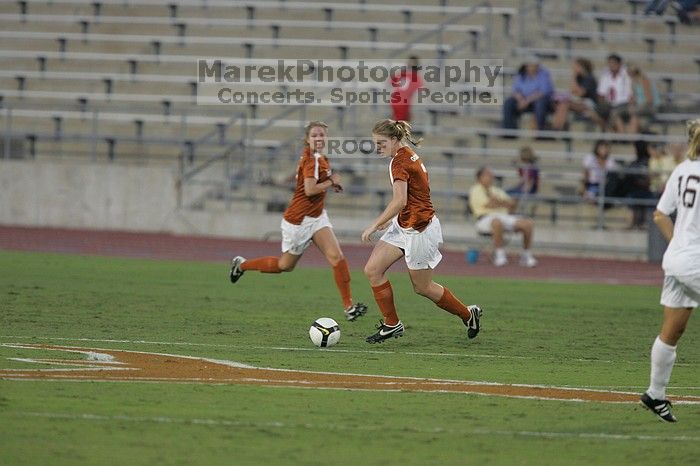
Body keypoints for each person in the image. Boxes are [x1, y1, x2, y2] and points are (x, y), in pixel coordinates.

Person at [229, 121, 368, 321]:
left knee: (337, 257)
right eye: (315, 135)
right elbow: (310, 189)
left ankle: (349, 307)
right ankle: (241, 265)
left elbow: (312, 185)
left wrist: (330, 184)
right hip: (299, 221)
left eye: (322, 135)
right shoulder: (312, 160)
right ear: (307, 139)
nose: (319, 138)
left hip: (317, 217)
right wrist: (331, 182)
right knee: (285, 266)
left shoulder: (319, 158)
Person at [360, 119, 482, 344]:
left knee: (422, 287)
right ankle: (391, 324)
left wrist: (376, 224)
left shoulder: (399, 162)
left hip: (419, 229)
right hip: (406, 222)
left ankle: (468, 314)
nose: (377, 147)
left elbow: (400, 200)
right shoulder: (406, 154)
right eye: (375, 143)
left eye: (381, 142)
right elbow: (413, 197)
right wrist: (394, 219)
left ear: (395, 140)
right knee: (373, 270)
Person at [640, 118, 700, 422]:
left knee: (673, 329)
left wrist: (679, 244)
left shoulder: (682, 170)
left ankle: (655, 394)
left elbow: (660, 214)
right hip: (695, 261)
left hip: (677, 259)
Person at [469, 166, 538, 267]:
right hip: (484, 218)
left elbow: (512, 205)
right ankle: (499, 255)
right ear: (480, 177)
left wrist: (499, 202)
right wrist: (502, 203)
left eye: (491, 176)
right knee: (497, 222)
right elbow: (488, 205)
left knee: (527, 223)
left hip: (503, 216)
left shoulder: (496, 190)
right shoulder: (475, 190)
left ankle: (526, 255)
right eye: (487, 175)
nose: (490, 178)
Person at [502, 56, 554, 132]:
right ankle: (509, 131)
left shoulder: (544, 74)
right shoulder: (521, 74)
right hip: (523, 100)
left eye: (534, 65)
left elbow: (543, 91)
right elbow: (515, 90)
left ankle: (540, 131)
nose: (531, 68)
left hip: (537, 100)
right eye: (529, 65)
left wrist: (527, 101)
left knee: (540, 104)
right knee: (508, 103)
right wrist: (520, 99)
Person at [551, 58, 599, 131]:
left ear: (581, 67)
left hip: (589, 104)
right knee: (562, 104)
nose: (574, 69)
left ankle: (557, 128)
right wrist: (575, 78)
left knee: (565, 104)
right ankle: (557, 127)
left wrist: (573, 77)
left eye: (576, 66)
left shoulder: (589, 78)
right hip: (580, 102)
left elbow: (580, 93)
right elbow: (572, 91)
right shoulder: (579, 78)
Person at [596, 54, 635, 133]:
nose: (611, 65)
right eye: (610, 63)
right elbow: (601, 94)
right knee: (600, 111)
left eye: (613, 63)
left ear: (619, 64)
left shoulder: (626, 75)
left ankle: (615, 134)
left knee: (615, 112)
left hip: (624, 104)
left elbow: (631, 93)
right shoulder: (605, 75)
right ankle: (617, 135)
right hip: (610, 104)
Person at [389, 56, 423, 123]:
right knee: (401, 123)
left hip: (394, 100)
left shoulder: (402, 73)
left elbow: (391, 82)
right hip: (404, 102)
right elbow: (421, 89)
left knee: (397, 121)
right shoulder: (415, 76)